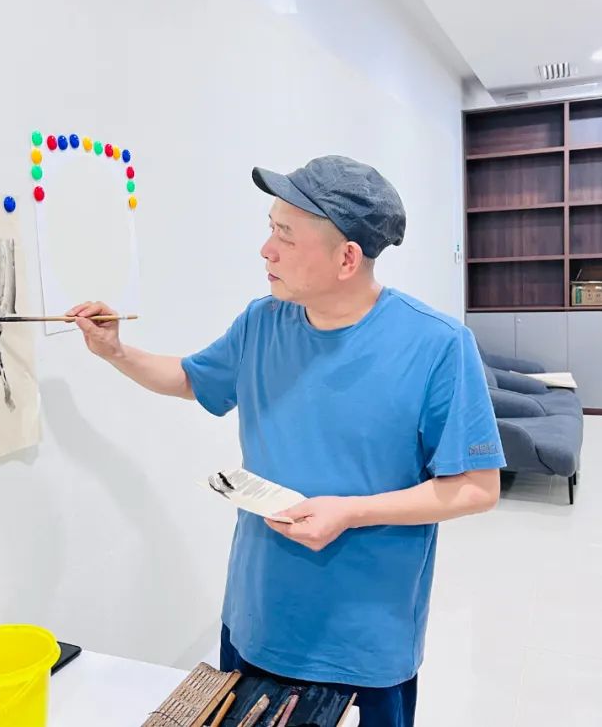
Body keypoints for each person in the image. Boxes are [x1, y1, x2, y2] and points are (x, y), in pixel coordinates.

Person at [68, 155, 505, 727]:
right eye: (270, 229)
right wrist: (117, 351)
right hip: (258, 617)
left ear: (347, 258)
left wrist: (351, 512)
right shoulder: (262, 322)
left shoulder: (437, 344)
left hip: (363, 639)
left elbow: (476, 487)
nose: (265, 250)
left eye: (285, 236)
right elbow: (193, 379)